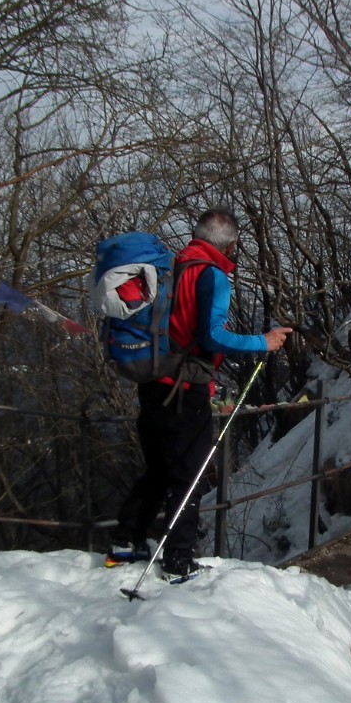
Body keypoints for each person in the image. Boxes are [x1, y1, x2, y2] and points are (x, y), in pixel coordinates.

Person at [108, 209, 292, 582]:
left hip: (152, 382)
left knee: (160, 470)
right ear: (232, 244)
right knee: (187, 476)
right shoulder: (212, 275)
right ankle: (178, 560)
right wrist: (264, 342)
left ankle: (125, 541)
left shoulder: (172, 267)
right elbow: (212, 336)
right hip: (185, 389)